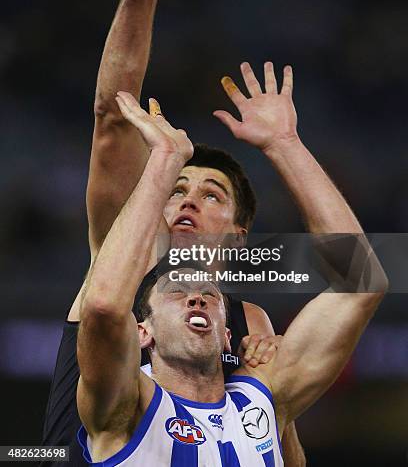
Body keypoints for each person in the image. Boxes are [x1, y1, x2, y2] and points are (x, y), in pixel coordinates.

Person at [41, 0, 306, 466]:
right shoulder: (126, 261)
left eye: (212, 194)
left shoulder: (247, 320)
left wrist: (279, 397)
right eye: (177, 187)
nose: (187, 200)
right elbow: (114, 116)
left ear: (239, 233)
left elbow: (277, 453)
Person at [76, 83, 387, 465]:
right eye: (176, 293)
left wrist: (285, 144)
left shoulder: (261, 396)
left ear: (228, 335)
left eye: (209, 296)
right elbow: (105, 307)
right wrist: (164, 158)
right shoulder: (128, 405)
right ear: (143, 332)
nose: (196, 297)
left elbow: (361, 281)